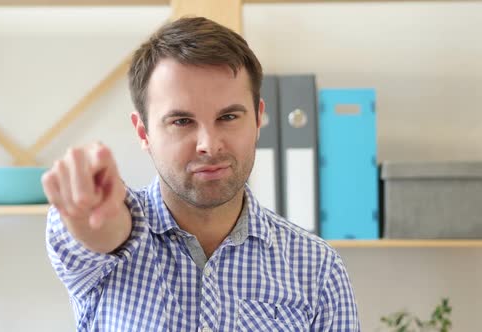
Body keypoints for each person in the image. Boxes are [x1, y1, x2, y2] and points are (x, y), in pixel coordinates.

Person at [42, 16, 360, 332]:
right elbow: (102, 235)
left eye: (229, 116)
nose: (208, 144)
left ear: (259, 118)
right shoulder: (114, 233)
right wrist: (91, 216)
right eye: (182, 121)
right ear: (143, 132)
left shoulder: (318, 268)